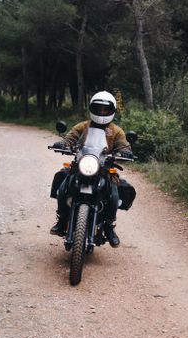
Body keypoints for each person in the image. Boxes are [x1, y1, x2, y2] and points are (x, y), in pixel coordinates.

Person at [50, 91, 133, 247]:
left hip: (104, 170)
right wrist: (64, 144)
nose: (101, 112)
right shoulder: (83, 126)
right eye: (98, 108)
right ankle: (62, 220)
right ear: (92, 109)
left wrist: (125, 151)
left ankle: (109, 226)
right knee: (63, 188)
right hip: (82, 165)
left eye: (105, 109)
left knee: (114, 195)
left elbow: (124, 145)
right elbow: (71, 137)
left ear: (111, 111)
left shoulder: (116, 131)